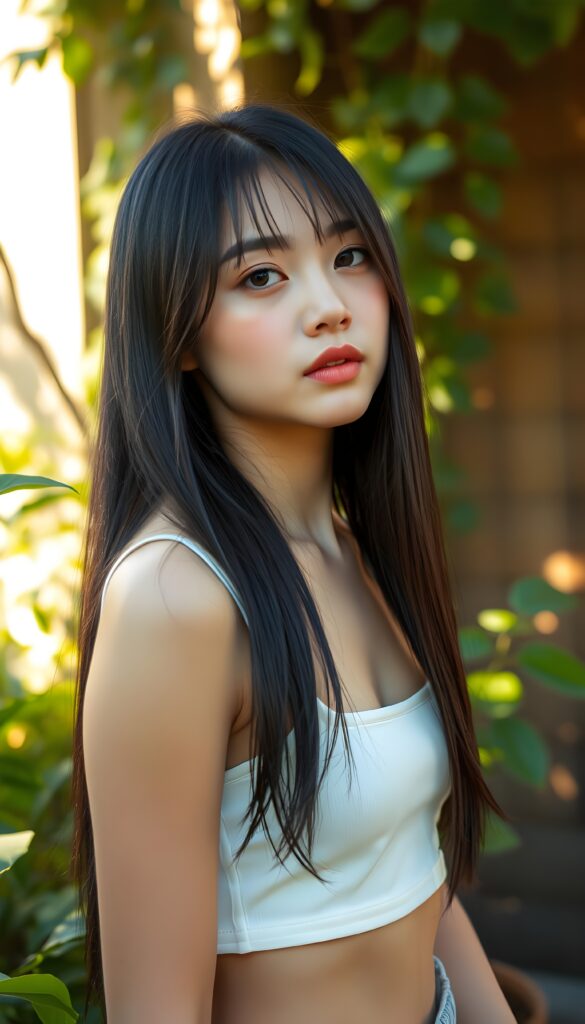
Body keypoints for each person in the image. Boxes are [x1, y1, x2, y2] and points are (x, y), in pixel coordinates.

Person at [71, 104, 516, 1024]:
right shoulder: (174, 597)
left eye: (349, 256)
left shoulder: (350, 548)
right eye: (262, 275)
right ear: (179, 335)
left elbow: (410, 871)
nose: (329, 306)